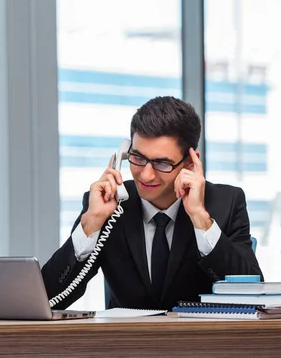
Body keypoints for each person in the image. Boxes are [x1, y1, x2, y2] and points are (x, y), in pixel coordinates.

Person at [42, 96, 263, 310]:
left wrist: (200, 218)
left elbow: (254, 294)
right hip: (128, 344)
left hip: (200, 344)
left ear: (189, 162)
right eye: (137, 158)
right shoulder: (106, 204)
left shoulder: (225, 202)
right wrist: (91, 223)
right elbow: (48, 299)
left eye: (162, 163)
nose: (146, 176)